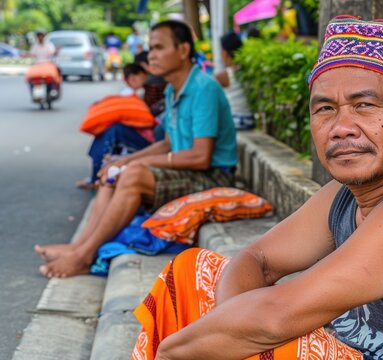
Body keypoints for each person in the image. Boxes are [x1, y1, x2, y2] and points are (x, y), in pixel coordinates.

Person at [130, 15, 383, 360]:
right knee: (193, 271)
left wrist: (174, 352)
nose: (341, 127)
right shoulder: (347, 194)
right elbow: (259, 259)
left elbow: (274, 318)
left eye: (365, 106)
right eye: (325, 109)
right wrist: (227, 330)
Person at [35, 20, 238, 278]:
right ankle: (79, 246)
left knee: (132, 175)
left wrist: (133, 166)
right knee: (112, 173)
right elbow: (167, 143)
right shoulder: (173, 90)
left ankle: (83, 257)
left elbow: (200, 157)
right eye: (150, 48)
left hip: (214, 176)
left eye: (158, 47)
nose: (151, 55)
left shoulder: (203, 89)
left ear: (183, 50)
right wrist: (124, 160)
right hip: (189, 169)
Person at [76, 63, 152, 190]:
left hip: (149, 140)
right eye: (142, 78)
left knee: (114, 130)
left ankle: (96, 177)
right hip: (140, 135)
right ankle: (97, 175)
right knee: (111, 131)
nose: (144, 81)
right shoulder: (132, 95)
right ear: (131, 79)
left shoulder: (146, 92)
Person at [214, 31, 255, 130]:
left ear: (224, 53)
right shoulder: (248, 71)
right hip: (250, 120)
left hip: (236, 121)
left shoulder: (223, 76)